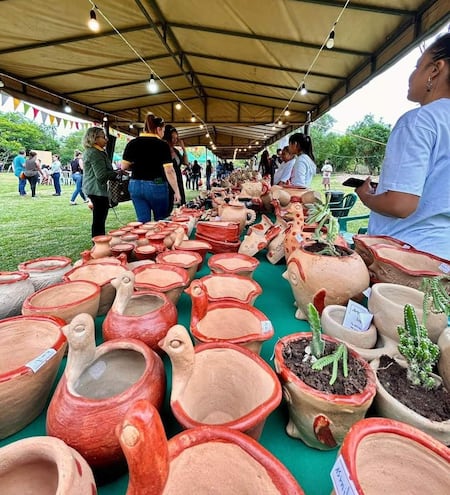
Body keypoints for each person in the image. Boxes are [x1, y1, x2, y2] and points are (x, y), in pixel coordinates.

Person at [356, 33, 450, 259]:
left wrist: (367, 196)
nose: (412, 75)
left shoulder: (419, 120)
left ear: (435, 69)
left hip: (403, 256)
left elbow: (400, 204)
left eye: (418, 66)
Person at [121, 113, 181, 222]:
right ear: (158, 129)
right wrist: (177, 191)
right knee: (161, 221)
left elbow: (124, 166)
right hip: (156, 183)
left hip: (135, 185)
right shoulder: (162, 145)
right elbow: (169, 170)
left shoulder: (133, 143)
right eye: (163, 131)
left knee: (143, 221)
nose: (163, 134)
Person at [82, 127, 119, 238]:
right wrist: (116, 174)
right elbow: (101, 176)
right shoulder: (95, 153)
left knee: (99, 220)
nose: (106, 139)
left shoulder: (95, 151)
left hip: (95, 189)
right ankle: (98, 244)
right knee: (99, 221)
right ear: (94, 138)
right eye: (103, 137)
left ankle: (98, 243)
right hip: (96, 190)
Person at [163, 125, 187, 213]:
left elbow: (186, 163)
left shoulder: (176, 151)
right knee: (167, 207)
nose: (175, 140)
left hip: (178, 179)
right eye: (172, 138)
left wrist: (184, 149)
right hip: (167, 180)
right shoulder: (163, 149)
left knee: (182, 204)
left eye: (176, 138)